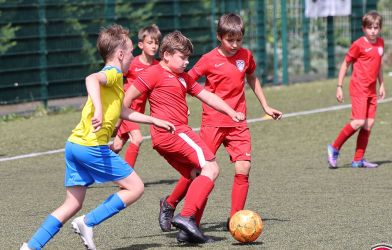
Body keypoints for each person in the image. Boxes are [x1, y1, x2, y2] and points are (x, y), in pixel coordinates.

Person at [20, 24, 174, 250]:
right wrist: (99, 111)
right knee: (135, 188)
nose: (132, 56)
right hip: (91, 146)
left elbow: (123, 111)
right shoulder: (112, 73)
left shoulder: (117, 79)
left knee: (72, 204)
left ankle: (31, 247)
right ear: (121, 54)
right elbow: (91, 79)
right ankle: (87, 222)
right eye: (130, 51)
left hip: (74, 145)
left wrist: (154, 120)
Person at [157, 13, 283, 233]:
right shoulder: (208, 59)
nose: (235, 45)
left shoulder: (246, 56)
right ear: (219, 37)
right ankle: (172, 204)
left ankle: (236, 220)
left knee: (244, 167)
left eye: (238, 40)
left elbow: (252, 77)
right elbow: (187, 81)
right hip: (213, 123)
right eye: (229, 40)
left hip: (238, 121)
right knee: (198, 170)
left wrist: (265, 105)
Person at [123, 30, 245, 243]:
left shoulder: (182, 77)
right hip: (174, 133)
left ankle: (183, 226)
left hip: (164, 139)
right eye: (183, 57)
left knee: (197, 175)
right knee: (212, 167)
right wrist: (150, 120)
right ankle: (187, 216)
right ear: (167, 54)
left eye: (189, 58)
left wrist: (229, 111)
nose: (187, 62)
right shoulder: (153, 73)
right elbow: (124, 103)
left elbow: (206, 95)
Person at [327, 11, 384, 169]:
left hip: (372, 90)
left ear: (380, 28)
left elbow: (379, 65)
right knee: (358, 121)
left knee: (368, 124)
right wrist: (339, 86)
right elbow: (346, 64)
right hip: (359, 88)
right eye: (369, 27)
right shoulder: (358, 44)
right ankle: (334, 148)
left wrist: (382, 84)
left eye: (376, 27)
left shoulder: (380, 43)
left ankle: (358, 159)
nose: (373, 30)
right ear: (363, 28)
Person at [110, 24, 161, 168]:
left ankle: (91, 167)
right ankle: (127, 178)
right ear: (140, 44)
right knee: (137, 139)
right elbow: (116, 76)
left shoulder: (157, 67)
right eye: (150, 43)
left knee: (117, 146)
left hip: (138, 111)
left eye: (156, 43)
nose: (154, 46)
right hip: (127, 108)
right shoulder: (132, 63)